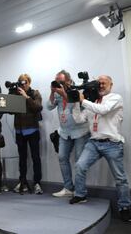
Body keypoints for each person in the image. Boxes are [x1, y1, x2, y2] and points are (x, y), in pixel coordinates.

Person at [70, 75, 131, 222]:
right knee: (80, 165)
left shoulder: (115, 98)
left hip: (112, 143)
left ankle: (124, 207)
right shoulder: (91, 102)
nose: (102, 85)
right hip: (94, 142)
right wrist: (75, 103)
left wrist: (82, 100)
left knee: (120, 178)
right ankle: (80, 195)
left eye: (104, 83)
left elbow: (103, 110)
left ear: (111, 84)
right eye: (99, 83)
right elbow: (79, 119)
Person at [47, 70, 90, 198]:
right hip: (64, 132)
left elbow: (77, 104)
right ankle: (68, 188)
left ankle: (79, 191)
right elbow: (49, 106)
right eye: (56, 82)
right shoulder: (58, 93)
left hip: (80, 132)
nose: (58, 84)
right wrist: (52, 92)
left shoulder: (78, 90)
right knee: (62, 158)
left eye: (60, 82)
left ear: (68, 81)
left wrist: (64, 94)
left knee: (79, 162)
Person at [13, 74, 44, 194]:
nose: (23, 84)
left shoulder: (35, 93)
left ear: (29, 82)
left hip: (32, 130)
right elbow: (10, 112)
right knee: (22, 159)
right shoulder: (16, 95)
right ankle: (23, 181)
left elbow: (38, 107)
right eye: (20, 82)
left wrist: (26, 97)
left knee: (35, 157)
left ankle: (37, 183)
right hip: (19, 131)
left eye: (25, 82)